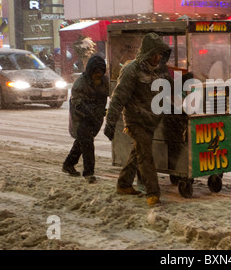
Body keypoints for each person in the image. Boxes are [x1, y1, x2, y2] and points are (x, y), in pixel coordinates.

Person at [103, 32, 172, 206]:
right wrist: (110, 122)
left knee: (138, 152)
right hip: (136, 120)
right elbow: (119, 97)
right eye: (154, 54)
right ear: (146, 53)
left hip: (152, 119)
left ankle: (124, 184)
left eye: (160, 54)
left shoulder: (161, 69)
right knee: (145, 155)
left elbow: (169, 90)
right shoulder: (131, 70)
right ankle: (153, 192)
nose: (157, 58)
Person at [62, 54, 109, 183]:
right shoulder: (80, 83)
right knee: (87, 143)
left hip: (96, 119)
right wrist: (94, 111)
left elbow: (114, 94)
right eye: (96, 72)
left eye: (100, 72)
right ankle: (89, 173)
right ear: (90, 71)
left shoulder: (105, 82)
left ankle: (68, 164)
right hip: (81, 117)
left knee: (82, 141)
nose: (98, 75)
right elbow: (79, 105)